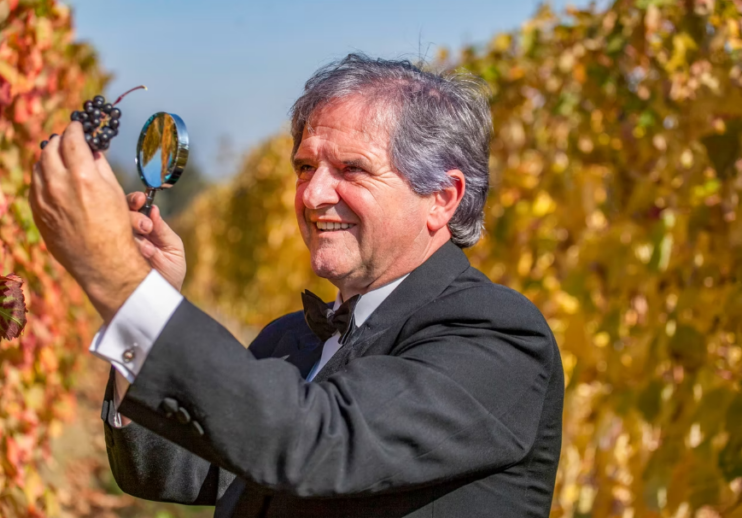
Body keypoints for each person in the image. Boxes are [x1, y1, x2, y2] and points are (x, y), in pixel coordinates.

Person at [29, 54, 564, 517]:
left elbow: (316, 441)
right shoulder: (291, 340)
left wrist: (121, 285)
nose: (312, 195)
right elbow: (176, 471)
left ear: (443, 197)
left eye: (352, 170)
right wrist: (150, 297)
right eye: (305, 167)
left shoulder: (498, 339)